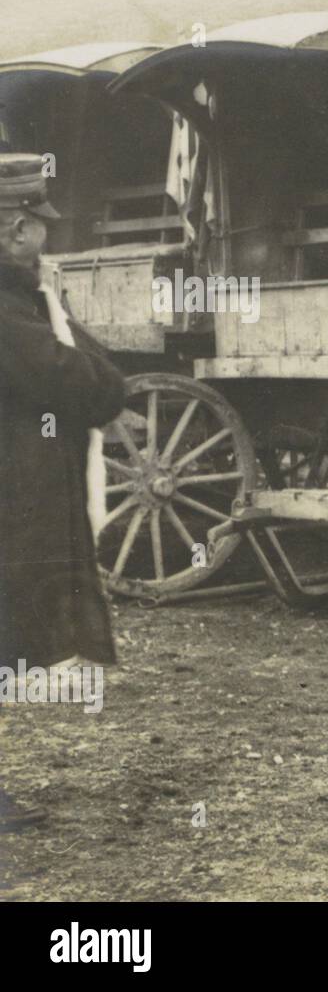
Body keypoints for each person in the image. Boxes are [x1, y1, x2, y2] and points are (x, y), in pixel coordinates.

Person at [0, 154, 126, 832]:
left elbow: (96, 369)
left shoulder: (27, 301)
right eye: (38, 224)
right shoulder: (11, 310)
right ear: (15, 231)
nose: (46, 236)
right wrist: (97, 375)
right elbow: (84, 380)